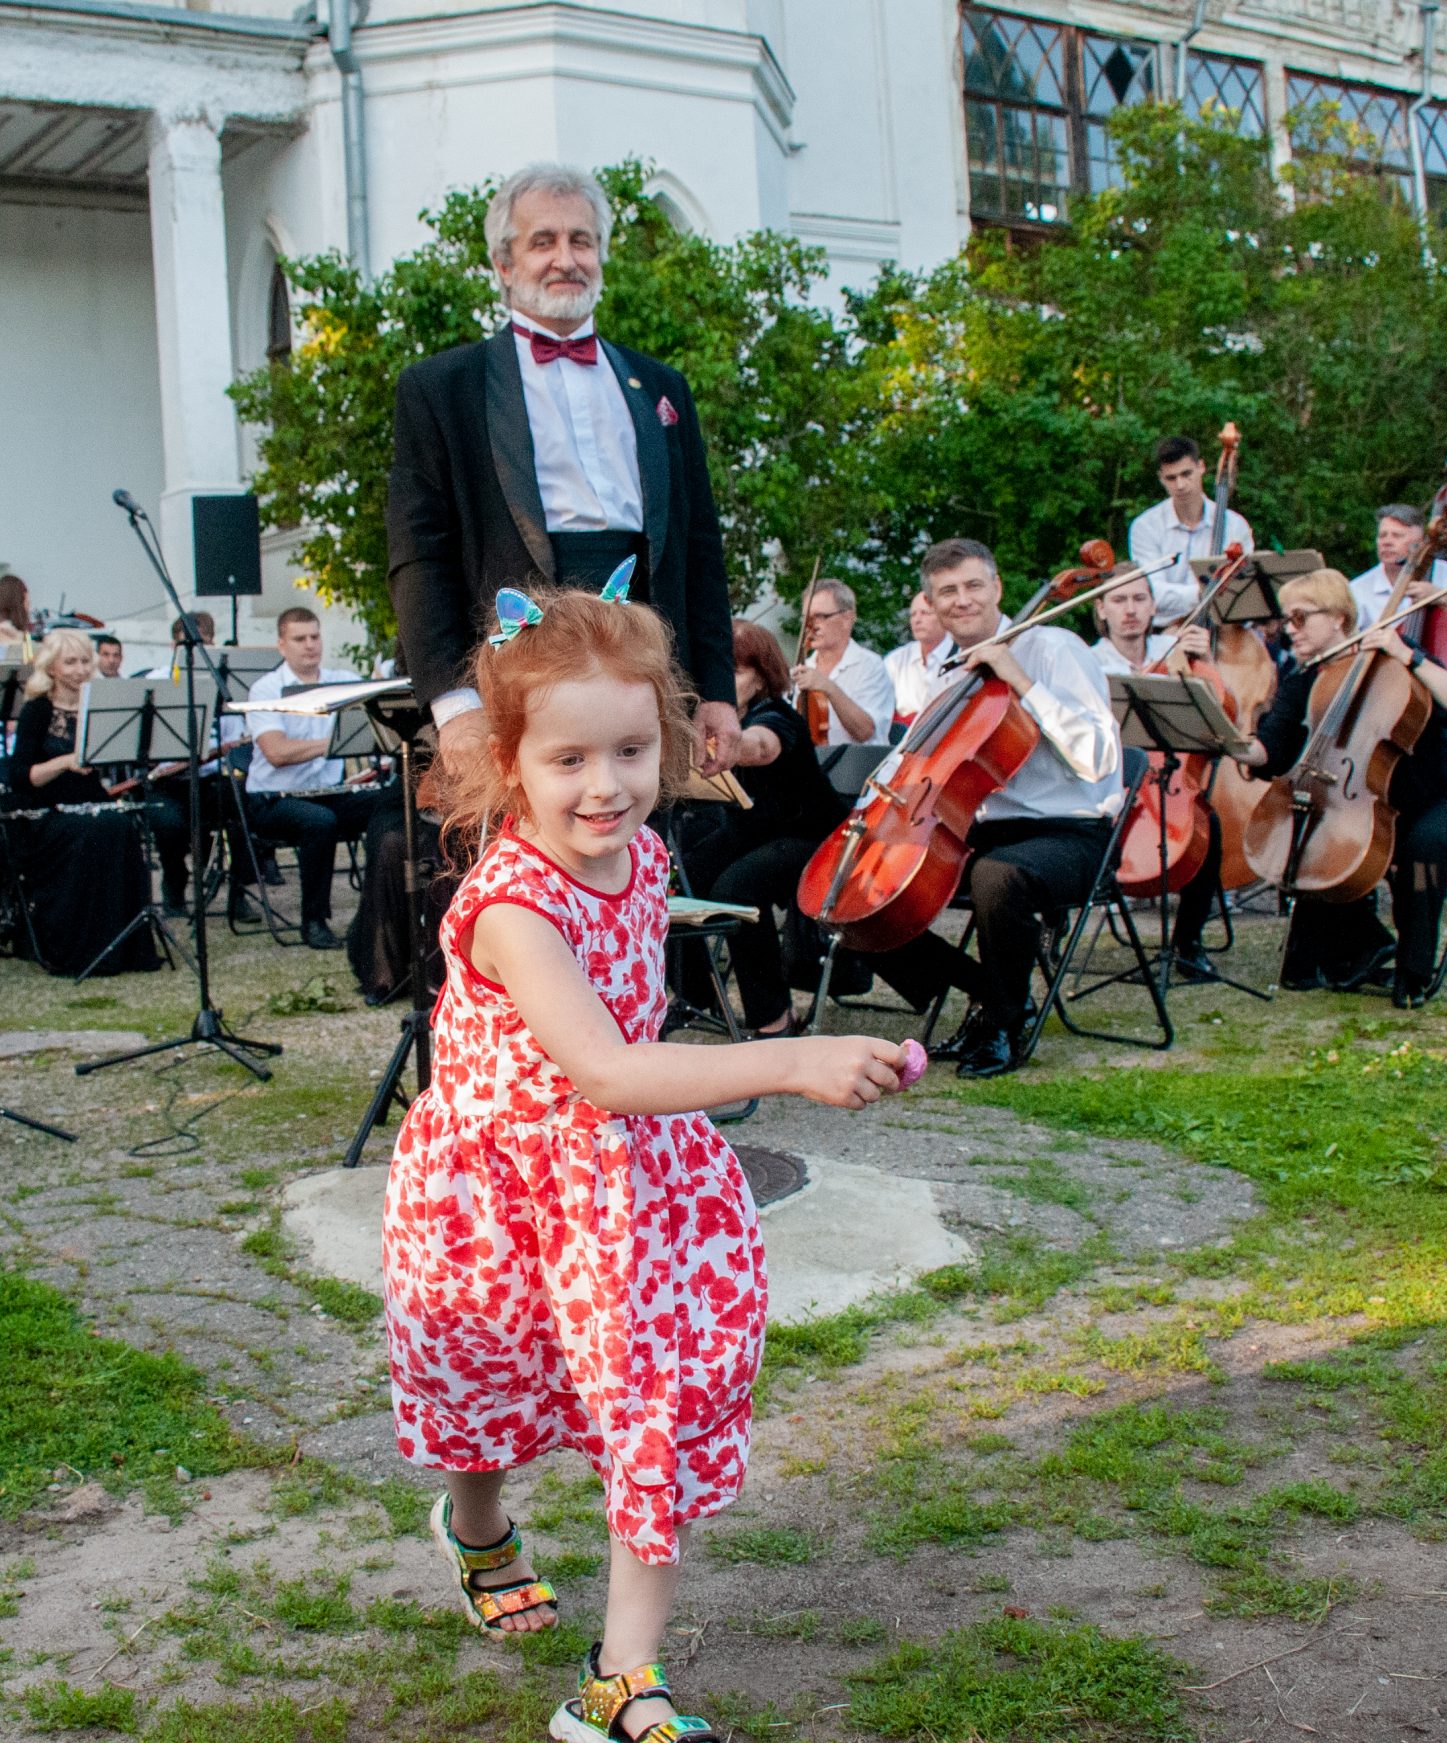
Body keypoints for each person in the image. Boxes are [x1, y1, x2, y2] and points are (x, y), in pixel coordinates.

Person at [383, 582, 903, 1743]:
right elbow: (607, 1068)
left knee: (651, 1404)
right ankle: (473, 1528)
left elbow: (631, 1056)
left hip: (623, 1187)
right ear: (510, 762)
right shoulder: (511, 907)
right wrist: (794, 1059)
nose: (606, 785)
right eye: (569, 759)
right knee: (493, 1400)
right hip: (497, 1190)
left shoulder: (647, 857)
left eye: (630, 750)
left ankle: (621, 1679)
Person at [388, 162, 740, 789]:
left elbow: (699, 549)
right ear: (504, 263)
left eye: (582, 240)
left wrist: (716, 689)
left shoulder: (662, 387)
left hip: (645, 649)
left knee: (647, 850)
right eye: (542, 241)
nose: (565, 258)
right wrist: (455, 706)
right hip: (516, 659)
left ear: (601, 255)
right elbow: (420, 557)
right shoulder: (441, 389)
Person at [840, 539, 1122, 1077]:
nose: (962, 600)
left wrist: (1018, 677)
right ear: (933, 602)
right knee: (864, 891)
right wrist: (865, 815)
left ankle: (1003, 1025)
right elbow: (907, 758)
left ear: (997, 588)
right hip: (980, 830)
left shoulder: (1054, 648)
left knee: (998, 878)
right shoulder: (950, 671)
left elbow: (1099, 756)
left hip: (1070, 833)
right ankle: (983, 992)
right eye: (947, 591)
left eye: (973, 585)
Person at [1232, 570, 1447, 1007]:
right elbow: (1272, 751)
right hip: (1362, 804)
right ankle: (1364, 947)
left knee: (1422, 845)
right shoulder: (1303, 682)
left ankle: (1415, 968)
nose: (1289, 629)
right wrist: (1233, 744)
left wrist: (1408, 656)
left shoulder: (1395, 662)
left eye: (1300, 618)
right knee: (1319, 843)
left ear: (1337, 618)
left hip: (1441, 799)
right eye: (1287, 621)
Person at [683, 621, 851, 1035]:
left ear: (760, 676)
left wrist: (724, 746)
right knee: (678, 876)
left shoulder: (778, 716)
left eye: (736, 674)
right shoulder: (718, 718)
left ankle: (775, 1019)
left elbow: (760, 745)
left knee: (737, 890)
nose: (724, 684)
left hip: (815, 840)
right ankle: (696, 999)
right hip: (756, 833)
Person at [0, 628, 163, 975]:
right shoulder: (37, 711)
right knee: (88, 832)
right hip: (43, 811)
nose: (78, 669)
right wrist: (65, 761)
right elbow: (20, 775)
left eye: (84, 662)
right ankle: (81, 948)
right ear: (52, 667)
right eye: (69, 662)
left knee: (121, 826)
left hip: (89, 801)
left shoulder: (96, 705)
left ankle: (126, 946)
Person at [231, 606, 380, 949]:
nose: (310, 645)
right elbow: (276, 752)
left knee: (388, 802)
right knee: (319, 822)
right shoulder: (266, 689)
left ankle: (380, 912)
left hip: (328, 791)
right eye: (300, 639)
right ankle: (314, 921)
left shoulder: (343, 682)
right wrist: (334, 744)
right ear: (282, 645)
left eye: (315, 636)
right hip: (274, 800)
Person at [1126, 434, 1248, 634]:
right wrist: (1204, 593)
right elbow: (1151, 591)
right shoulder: (1145, 526)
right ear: (1161, 478)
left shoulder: (1234, 524)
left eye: (1186, 474)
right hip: (1168, 630)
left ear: (1201, 467)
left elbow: (1244, 589)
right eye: (1171, 478)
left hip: (1224, 628)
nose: (1180, 485)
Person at [789, 578, 894, 747]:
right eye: (806, 618)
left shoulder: (870, 666)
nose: (811, 626)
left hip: (860, 767)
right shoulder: (803, 667)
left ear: (847, 618)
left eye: (820, 617)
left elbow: (865, 732)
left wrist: (829, 687)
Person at [1347, 503, 1447, 633]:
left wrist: (1441, 597)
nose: (1386, 542)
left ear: (1420, 542)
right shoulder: (1357, 589)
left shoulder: (1446, 573)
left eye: (1397, 536)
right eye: (1382, 535)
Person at [883, 591, 952, 731]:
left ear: (943, 617)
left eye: (925, 613)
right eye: (913, 614)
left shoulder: (961, 653)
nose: (917, 620)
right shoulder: (895, 660)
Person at [1090, 566, 1163, 676]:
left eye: (1139, 599)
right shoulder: (1091, 663)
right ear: (1101, 608)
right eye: (1119, 600)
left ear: (1153, 605)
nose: (1131, 610)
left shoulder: (1173, 648)